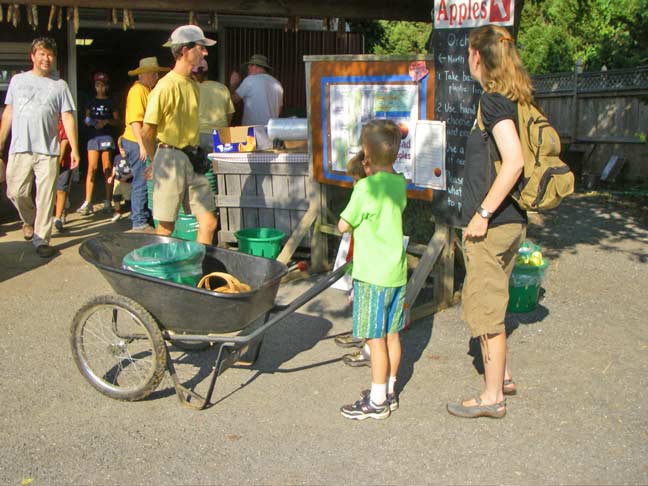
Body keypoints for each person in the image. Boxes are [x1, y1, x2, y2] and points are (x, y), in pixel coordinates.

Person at [446, 24, 529, 419]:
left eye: (468, 53)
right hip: (513, 221)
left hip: (492, 225)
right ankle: (504, 376)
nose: (467, 59)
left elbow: (514, 161)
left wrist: (481, 214)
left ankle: (492, 395)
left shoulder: (494, 101)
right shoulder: (517, 99)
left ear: (478, 57)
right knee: (495, 300)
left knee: (484, 306)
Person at [337, 120, 407, 420]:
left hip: (371, 276)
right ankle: (390, 391)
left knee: (375, 340)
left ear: (366, 155)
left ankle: (377, 401)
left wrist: (360, 183)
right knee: (392, 336)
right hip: (396, 274)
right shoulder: (400, 183)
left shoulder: (365, 188)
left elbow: (344, 224)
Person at [0, 37, 79, 258]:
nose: (46, 58)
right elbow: (8, 113)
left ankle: (42, 238)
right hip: (20, 147)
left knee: (46, 196)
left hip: (49, 150)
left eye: (50, 54)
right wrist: (0, 144)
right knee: (15, 191)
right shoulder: (17, 81)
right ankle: (29, 220)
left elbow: (67, 117)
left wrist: (74, 148)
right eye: (42, 53)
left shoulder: (60, 85)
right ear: (33, 56)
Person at [141, 25, 218, 245]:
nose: (205, 52)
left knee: (209, 222)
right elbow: (148, 131)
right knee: (166, 227)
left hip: (193, 157)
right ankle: (160, 273)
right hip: (170, 158)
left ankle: (199, 271)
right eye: (200, 47)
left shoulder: (193, 85)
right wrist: (154, 159)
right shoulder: (164, 87)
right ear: (185, 50)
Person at [121, 56, 169, 232]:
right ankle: (139, 221)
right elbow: (135, 122)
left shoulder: (146, 90)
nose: (156, 77)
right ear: (145, 75)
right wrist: (142, 145)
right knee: (142, 179)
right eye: (154, 74)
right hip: (136, 141)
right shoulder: (137, 91)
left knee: (145, 179)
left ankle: (143, 216)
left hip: (141, 140)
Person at [77, 72, 120, 215]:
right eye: (97, 85)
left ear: (106, 86)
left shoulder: (111, 102)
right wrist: (92, 122)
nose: (100, 88)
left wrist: (106, 121)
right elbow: (86, 118)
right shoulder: (90, 101)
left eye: (102, 85)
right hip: (93, 136)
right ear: (94, 86)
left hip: (106, 136)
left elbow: (117, 120)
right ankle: (88, 202)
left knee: (107, 167)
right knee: (92, 168)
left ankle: (108, 201)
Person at [192, 58, 235, 153]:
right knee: (218, 167)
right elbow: (229, 114)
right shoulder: (222, 88)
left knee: (197, 166)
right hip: (221, 135)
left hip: (198, 135)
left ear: (192, 74)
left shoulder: (191, 88)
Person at [229, 54, 283, 126]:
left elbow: (231, 100)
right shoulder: (277, 83)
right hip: (271, 130)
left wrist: (233, 84)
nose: (248, 67)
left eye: (251, 65)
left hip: (252, 130)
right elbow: (279, 109)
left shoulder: (250, 80)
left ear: (258, 67)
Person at [53, 118, 72, 232]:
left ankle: (58, 218)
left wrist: (58, 160)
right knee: (51, 190)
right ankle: (62, 208)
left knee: (61, 189)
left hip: (64, 161)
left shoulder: (64, 122)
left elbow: (65, 142)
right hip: (46, 160)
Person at [107, 136, 132, 223]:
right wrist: (112, 176)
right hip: (117, 181)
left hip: (127, 182)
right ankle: (117, 212)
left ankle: (132, 211)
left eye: (124, 150)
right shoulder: (117, 157)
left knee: (128, 198)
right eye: (121, 150)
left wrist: (127, 177)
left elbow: (134, 170)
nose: (123, 152)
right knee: (116, 197)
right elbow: (114, 167)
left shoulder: (131, 158)